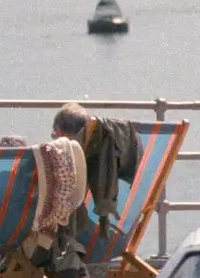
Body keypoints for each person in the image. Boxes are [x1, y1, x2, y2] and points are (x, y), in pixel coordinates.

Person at [51, 102, 140, 243]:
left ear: (59, 132)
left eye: (53, 135)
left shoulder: (62, 168)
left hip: (73, 242)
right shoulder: (102, 160)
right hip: (116, 239)